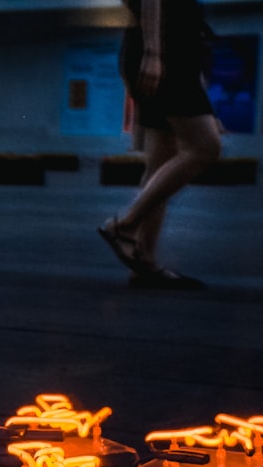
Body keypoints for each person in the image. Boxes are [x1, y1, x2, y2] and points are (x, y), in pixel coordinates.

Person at [98, 0, 221, 289]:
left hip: (169, 51)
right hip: (166, 53)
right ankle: (124, 225)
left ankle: (144, 262)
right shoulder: (160, 47)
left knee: (162, 159)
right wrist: (154, 52)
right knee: (205, 148)